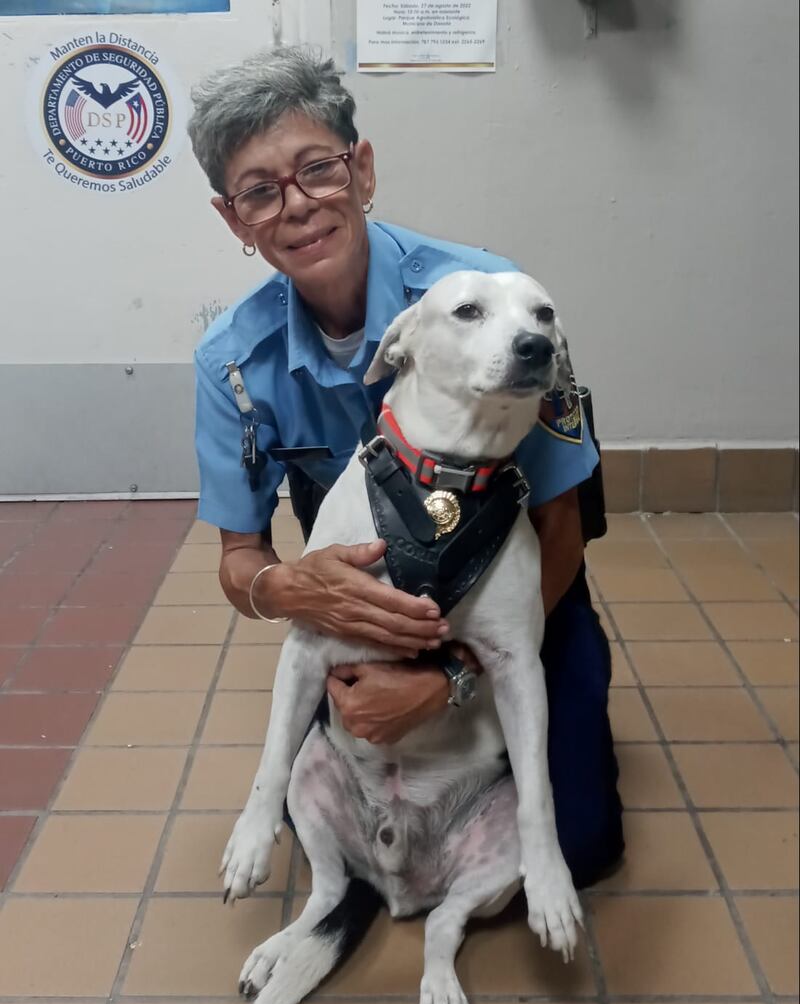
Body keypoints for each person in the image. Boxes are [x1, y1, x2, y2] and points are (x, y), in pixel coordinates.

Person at [187, 46, 624, 889]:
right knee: (329, 811)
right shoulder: (234, 360)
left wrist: (453, 678)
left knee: (582, 844)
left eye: (318, 169)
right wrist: (294, 590)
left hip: (510, 580)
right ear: (234, 218)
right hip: (369, 593)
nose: (298, 207)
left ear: (363, 168)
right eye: (259, 190)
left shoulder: (494, 305)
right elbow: (239, 559)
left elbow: (563, 525)